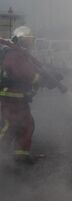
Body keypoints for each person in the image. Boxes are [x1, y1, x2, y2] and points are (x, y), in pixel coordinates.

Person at [0, 26, 56, 164]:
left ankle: (21, 155)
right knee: (9, 127)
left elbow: (34, 70)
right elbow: (24, 73)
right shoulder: (13, 54)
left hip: (20, 100)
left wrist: (52, 77)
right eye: (26, 41)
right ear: (17, 40)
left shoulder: (22, 55)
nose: (28, 45)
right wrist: (43, 80)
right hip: (10, 99)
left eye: (30, 41)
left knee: (27, 125)